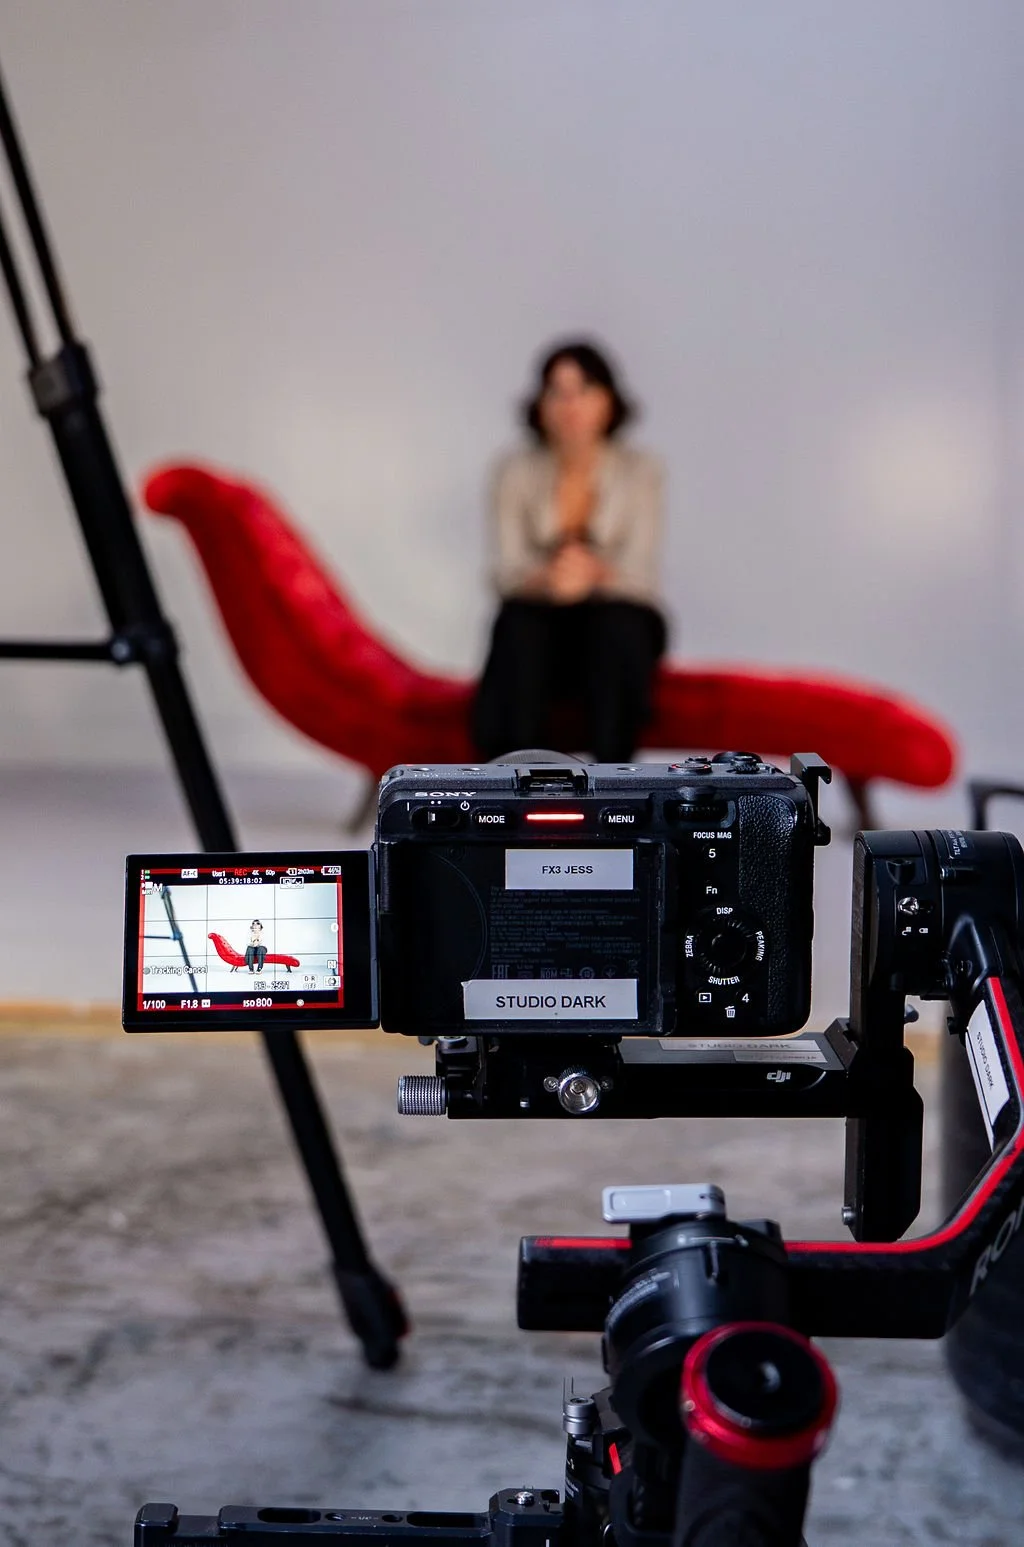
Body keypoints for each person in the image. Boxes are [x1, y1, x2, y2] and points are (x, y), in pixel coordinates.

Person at [471, 340, 667, 764]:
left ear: (609, 401)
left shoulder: (641, 471)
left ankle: (615, 782)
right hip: (541, 620)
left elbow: (641, 576)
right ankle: (514, 782)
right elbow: (504, 572)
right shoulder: (514, 470)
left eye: (583, 390)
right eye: (557, 392)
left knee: (617, 626)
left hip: (616, 619)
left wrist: (591, 574)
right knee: (519, 627)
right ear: (540, 404)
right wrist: (548, 580)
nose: (570, 405)